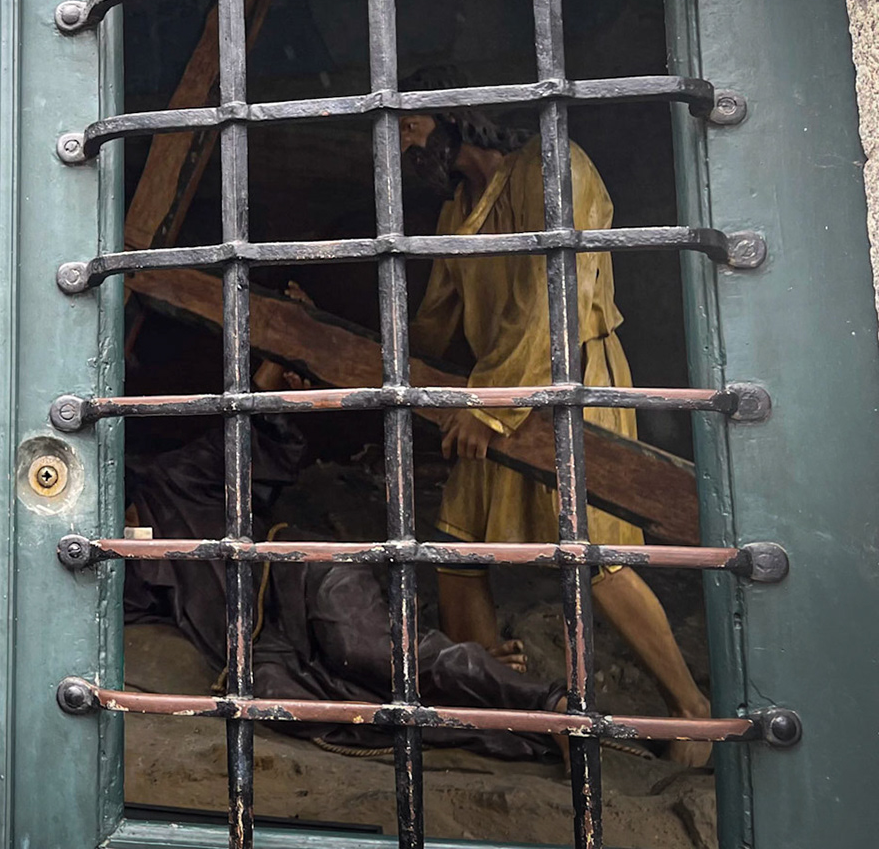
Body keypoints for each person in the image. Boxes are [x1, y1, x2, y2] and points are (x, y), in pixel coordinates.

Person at [401, 65, 711, 765]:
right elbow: (436, 323)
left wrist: (492, 404)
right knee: (456, 547)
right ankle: (493, 704)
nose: (405, 145)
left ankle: (691, 715)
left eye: (409, 124)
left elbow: (554, 300)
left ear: (456, 115)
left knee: (594, 556)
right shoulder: (458, 212)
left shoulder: (553, 168)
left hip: (570, 379)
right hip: (494, 393)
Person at [125, 359, 565, 762]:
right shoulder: (122, 566)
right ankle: (473, 681)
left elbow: (246, 432)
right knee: (312, 701)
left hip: (302, 574)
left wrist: (274, 365)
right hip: (271, 642)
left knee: (368, 650)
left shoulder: (172, 479)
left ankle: (551, 705)